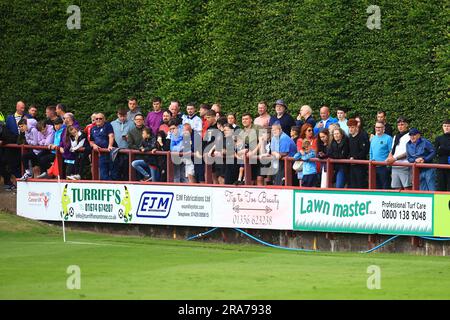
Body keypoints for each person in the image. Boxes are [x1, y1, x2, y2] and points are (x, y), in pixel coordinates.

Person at [386, 117, 411, 190]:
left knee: (408, 188)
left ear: (406, 125)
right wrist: (389, 158)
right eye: (399, 125)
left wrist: (394, 158)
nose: (400, 126)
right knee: (396, 189)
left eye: (402, 124)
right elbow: (393, 150)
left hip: (405, 166)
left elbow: (408, 152)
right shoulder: (395, 136)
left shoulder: (410, 136)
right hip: (395, 166)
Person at [89, 113, 115, 180]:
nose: (98, 120)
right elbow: (91, 141)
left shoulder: (108, 125)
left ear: (104, 119)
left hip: (110, 153)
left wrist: (110, 145)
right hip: (101, 154)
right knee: (103, 174)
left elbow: (111, 136)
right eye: (96, 119)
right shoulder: (92, 129)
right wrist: (94, 145)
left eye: (100, 118)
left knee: (114, 173)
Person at [369, 121, 393, 189]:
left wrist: (388, 164)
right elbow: (371, 152)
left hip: (384, 167)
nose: (378, 129)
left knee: (385, 187)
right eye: (376, 127)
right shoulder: (373, 138)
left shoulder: (388, 138)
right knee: (375, 187)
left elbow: (391, 151)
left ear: (383, 128)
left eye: (380, 127)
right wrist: (371, 161)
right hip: (374, 167)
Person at [111, 108, 132, 180]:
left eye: (124, 116)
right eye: (121, 116)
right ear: (117, 115)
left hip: (127, 150)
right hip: (116, 151)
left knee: (126, 170)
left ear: (127, 115)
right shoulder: (112, 124)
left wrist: (128, 137)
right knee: (116, 170)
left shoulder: (131, 123)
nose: (122, 118)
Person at [348, 118, 369, 189]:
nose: (350, 129)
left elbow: (364, 151)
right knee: (352, 184)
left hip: (360, 166)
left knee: (360, 185)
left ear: (357, 127)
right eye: (349, 127)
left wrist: (355, 158)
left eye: (352, 127)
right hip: (351, 165)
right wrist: (350, 158)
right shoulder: (350, 138)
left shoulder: (362, 137)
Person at [434, 119, 450, 191]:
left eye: (448, 126)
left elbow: (440, 150)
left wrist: (442, 149)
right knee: (441, 187)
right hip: (441, 165)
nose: (446, 127)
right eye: (445, 126)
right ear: (442, 127)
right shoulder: (438, 138)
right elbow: (436, 151)